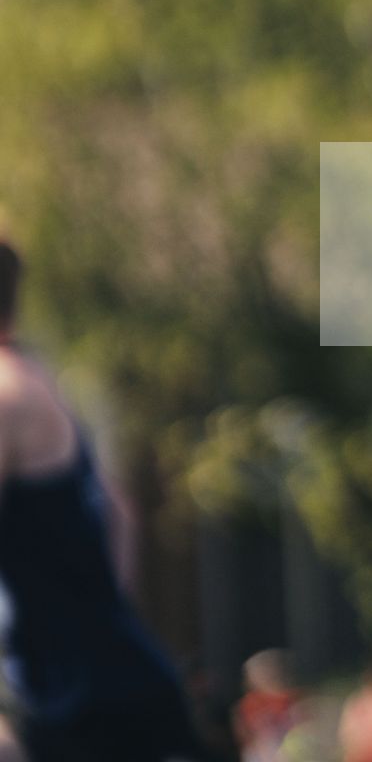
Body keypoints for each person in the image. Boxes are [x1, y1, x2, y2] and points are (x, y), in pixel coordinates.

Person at [0, 238, 213, 760]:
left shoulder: (6, 395)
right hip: (112, 679)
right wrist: (95, 623)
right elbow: (122, 513)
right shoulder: (33, 380)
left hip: (81, 707)